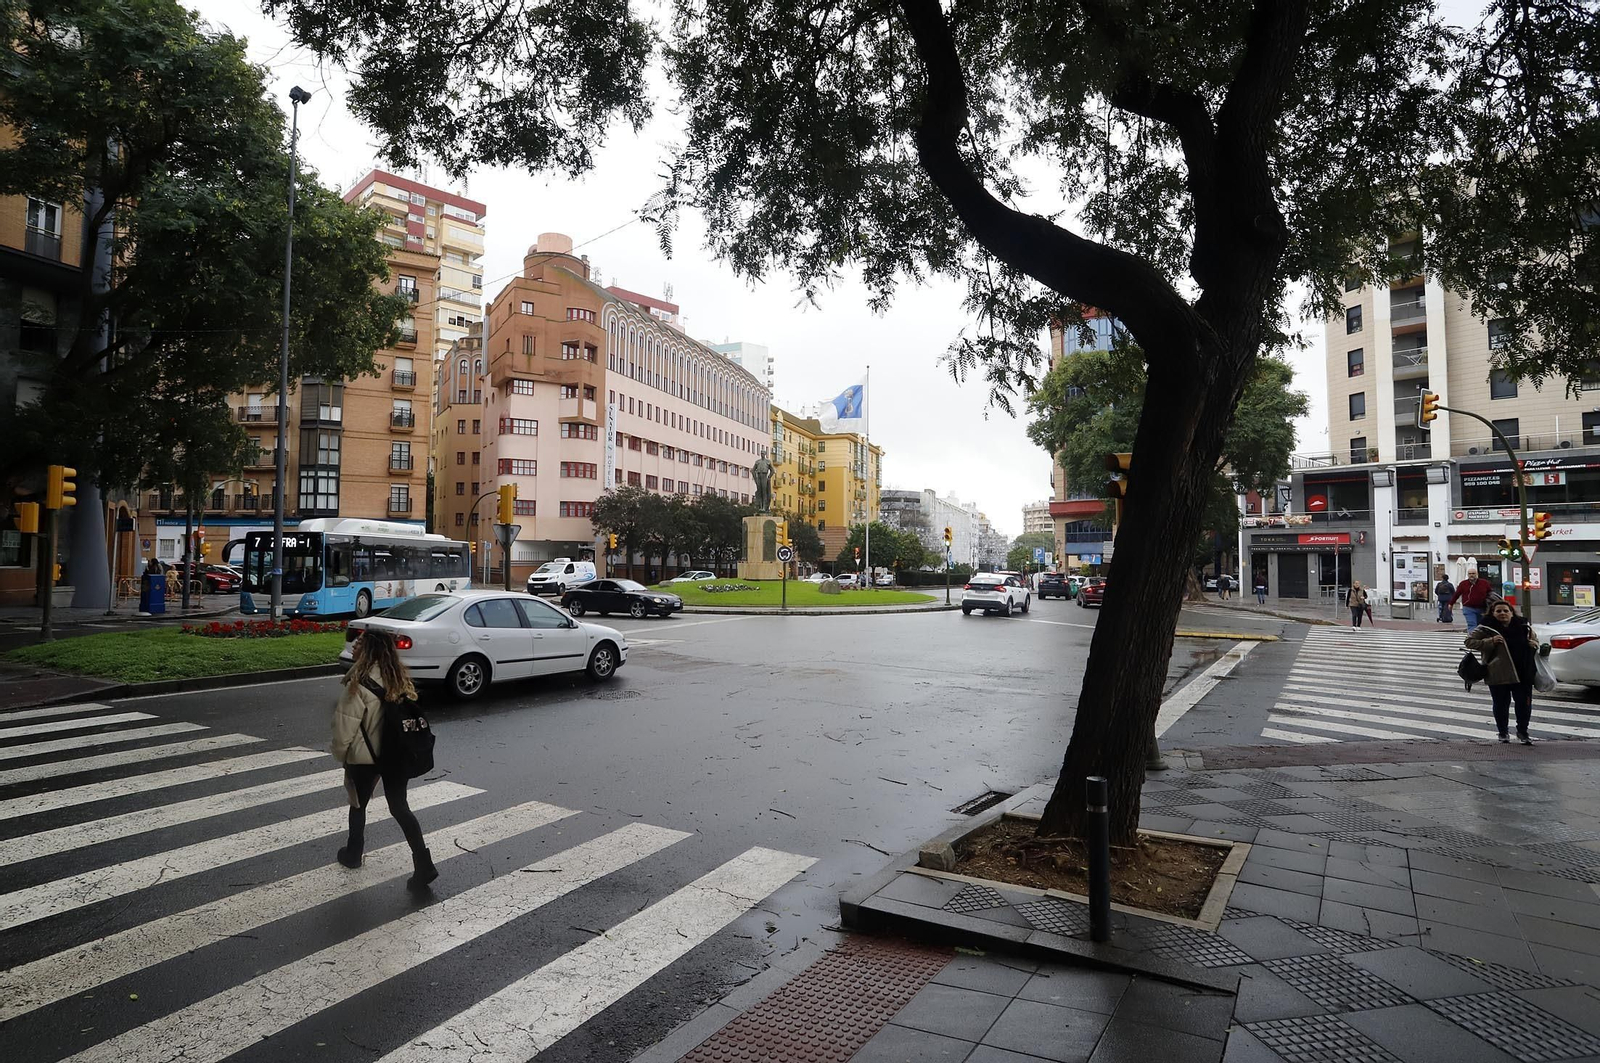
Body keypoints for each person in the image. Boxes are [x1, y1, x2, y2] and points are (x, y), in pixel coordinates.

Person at [330, 629, 438, 889]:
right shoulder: (396, 676)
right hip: (396, 754)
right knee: (400, 807)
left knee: (358, 804)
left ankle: (353, 854)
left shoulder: (358, 680)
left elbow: (345, 727)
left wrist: (341, 754)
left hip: (365, 758)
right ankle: (423, 864)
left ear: (368, 650)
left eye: (359, 644)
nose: (354, 646)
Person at [1465, 600, 1541, 744]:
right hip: (1497, 672)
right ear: (1492, 613)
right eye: (1498, 611)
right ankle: (1503, 732)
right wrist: (1490, 641)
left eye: (1506, 611)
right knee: (1501, 704)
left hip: (1523, 672)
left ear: (1512, 612)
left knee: (1524, 704)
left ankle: (1523, 732)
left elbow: (1535, 640)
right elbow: (1469, 642)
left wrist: (1534, 644)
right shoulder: (1486, 628)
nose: (1502, 614)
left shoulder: (1524, 626)